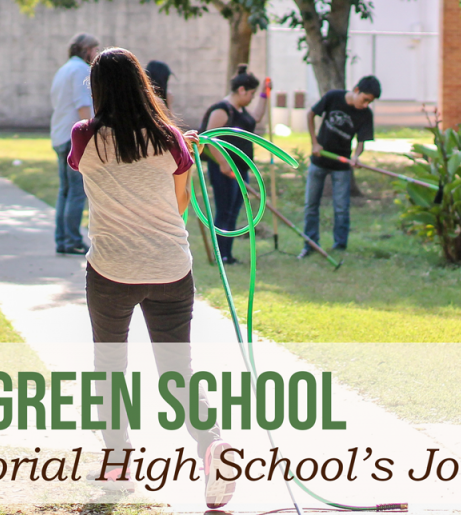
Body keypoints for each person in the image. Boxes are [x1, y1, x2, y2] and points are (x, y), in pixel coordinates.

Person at [67, 47, 236, 509]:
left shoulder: (84, 138)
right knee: (177, 373)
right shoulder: (170, 139)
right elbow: (180, 206)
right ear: (144, 85)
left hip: (111, 272)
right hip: (170, 270)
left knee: (110, 369)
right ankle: (213, 449)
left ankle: (118, 463)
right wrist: (183, 147)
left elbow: (95, 169)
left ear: (99, 90)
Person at [299, 76, 381, 258]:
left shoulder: (366, 114)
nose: (366, 104)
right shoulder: (333, 97)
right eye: (365, 99)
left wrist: (356, 157)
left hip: (341, 166)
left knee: (341, 207)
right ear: (357, 90)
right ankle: (310, 244)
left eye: (370, 102)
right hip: (319, 161)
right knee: (311, 205)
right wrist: (314, 143)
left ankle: (340, 246)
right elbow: (310, 114)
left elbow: (361, 141)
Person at [199, 64, 269, 264]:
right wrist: (222, 163)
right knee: (224, 210)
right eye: (252, 94)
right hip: (224, 170)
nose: (252, 98)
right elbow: (208, 138)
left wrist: (264, 95)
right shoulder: (222, 110)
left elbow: (256, 117)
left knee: (235, 210)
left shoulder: (241, 110)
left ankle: (227, 255)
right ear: (241, 90)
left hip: (241, 169)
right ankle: (220, 254)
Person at [50, 33, 100, 255]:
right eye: (95, 50)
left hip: (59, 134)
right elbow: (83, 107)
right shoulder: (81, 70)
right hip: (73, 137)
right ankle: (71, 240)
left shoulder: (64, 69)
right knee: (77, 191)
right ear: (86, 50)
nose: (96, 55)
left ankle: (62, 239)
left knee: (65, 191)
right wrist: (91, 135)